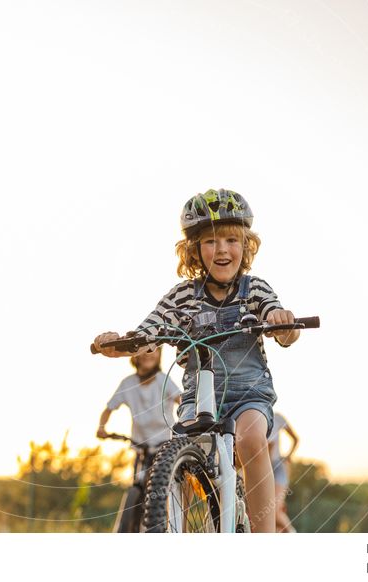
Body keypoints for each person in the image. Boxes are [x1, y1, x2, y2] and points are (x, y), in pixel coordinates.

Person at [93, 188, 307, 532]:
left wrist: (282, 323)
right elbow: (146, 335)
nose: (221, 249)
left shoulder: (254, 290)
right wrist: (116, 343)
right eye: (210, 242)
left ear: (245, 245)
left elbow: (284, 331)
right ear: (194, 250)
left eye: (230, 240)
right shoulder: (180, 298)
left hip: (247, 395)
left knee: (251, 438)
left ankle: (264, 540)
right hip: (198, 402)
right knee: (186, 460)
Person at [96, 346, 182, 451]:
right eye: (143, 350)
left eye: (152, 350)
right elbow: (109, 409)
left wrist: (186, 424)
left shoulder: (164, 380)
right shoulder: (127, 383)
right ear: (134, 355)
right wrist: (101, 427)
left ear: (159, 354)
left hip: (165, 442)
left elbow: (181, 401)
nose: (148, 354)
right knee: (139, 466)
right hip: (139, 444)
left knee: (170, 465)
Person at [267, 411, 299, 532]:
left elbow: (296, 439)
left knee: (274, 511)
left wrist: (289, 457)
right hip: (262, 469)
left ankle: (291, 532)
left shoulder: (277, 418)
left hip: (277, 468)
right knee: (260, 513)